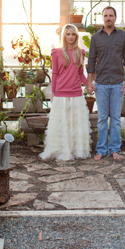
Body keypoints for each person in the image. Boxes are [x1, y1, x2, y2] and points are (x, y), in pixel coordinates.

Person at [40, 24, 92, 161]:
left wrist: (88, 85)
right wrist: (53, 93)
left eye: (73, 34)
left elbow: (81, 73)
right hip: (60, 94)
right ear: (64, 35)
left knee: (75, 124)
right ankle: (61, 150)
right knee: (61, 123)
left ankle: (77, 150)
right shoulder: (56, 52)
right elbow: (55, 73)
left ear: (76, 36)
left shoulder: (80, 53)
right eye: (68, 34)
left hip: (76, 93)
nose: (70, 37)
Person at [86, 6, 125, 160]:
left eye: (111, 15)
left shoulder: (124, 37)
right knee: (102, 119)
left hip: (118, 82)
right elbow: (91, 60)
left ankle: (115, 150)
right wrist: (89, 81)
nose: (108, 18)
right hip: (101, 83)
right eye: (105, 16)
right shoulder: (95, 38)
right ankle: (101, 149)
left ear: (115, 18)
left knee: (117, 119)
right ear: (102, 18)